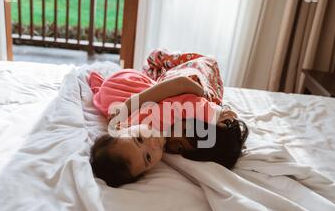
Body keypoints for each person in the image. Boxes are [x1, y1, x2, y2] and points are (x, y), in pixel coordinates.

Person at [88, 49, 248, 187]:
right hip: (136, 92)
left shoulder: (141, 124)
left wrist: (214, 114)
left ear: (120, 127)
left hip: (124, 82)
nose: (153, 145)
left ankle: (101, 86)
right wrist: (215, 113)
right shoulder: (143, 130)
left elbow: (184, 92)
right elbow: (185, 91)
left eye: (139, 139)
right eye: (148, 157)